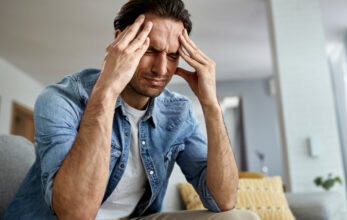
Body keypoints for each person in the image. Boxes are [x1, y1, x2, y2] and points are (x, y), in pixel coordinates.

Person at [3, 1, 260, 220]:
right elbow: (75, 213)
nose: (162, 69)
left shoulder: (178, 113)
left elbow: (223, 201)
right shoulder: (62, 99)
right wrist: (106, 91)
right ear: (120, 42)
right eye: (150, 50)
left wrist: (211, 105)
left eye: (172, 55)